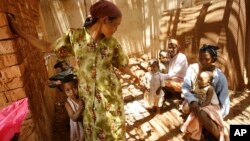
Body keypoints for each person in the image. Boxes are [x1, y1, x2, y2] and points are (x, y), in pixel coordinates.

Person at [8, 1, 140, 140]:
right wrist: (17, 30)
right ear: (104, 20)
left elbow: (121, 65)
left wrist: (133, 74)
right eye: (115, 25)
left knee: (115, 134)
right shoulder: (75, 37)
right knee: (94, 134)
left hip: (111, 99)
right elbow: (48, 47)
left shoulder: (112, 43)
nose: (116, 29)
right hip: (89, 102)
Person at [181, 44, 230, 140]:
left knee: (202, 112)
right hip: (195, 100)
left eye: (207, 59)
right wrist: (192, 100)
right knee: (190, 107)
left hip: (210, 105)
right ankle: (201, 130)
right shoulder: (193, 69)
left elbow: (224, 99)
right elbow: (186, 87)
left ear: (213, 59)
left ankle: (219, 136)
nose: (203, 62)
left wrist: (218, 116)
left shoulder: (219, 76)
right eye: (200, 59)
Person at [61, 75, 84, 141]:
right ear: (64, 92)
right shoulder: (67, 104)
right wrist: (80, 109)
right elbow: (73, 117)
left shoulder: (81, 97)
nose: (72, 92)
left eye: (74, 88)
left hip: (84, 124)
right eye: (68, 90)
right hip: (77, 126)